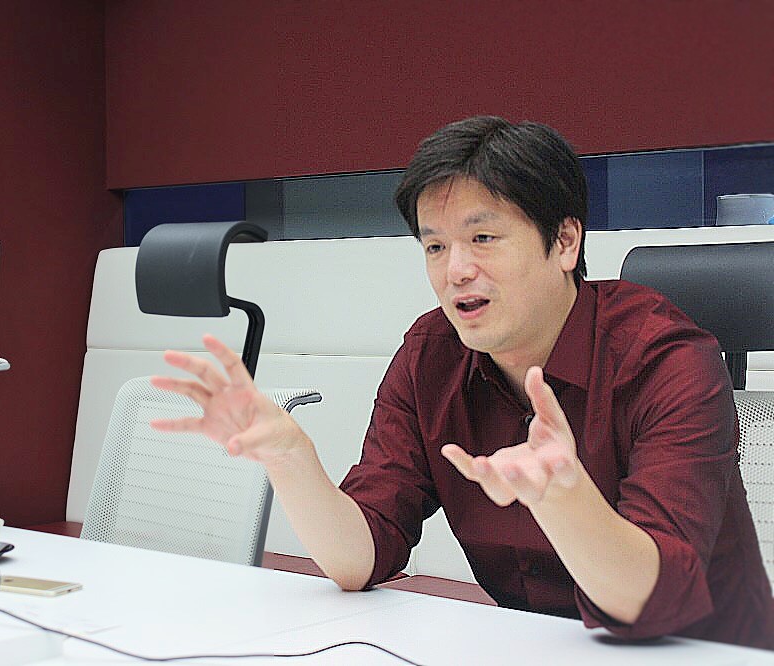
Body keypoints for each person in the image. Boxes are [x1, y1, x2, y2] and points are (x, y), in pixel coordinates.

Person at [149, 116, 774, 649]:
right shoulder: (433, 354)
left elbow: (652, 606)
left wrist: (564, 497)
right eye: (435, 247)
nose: (456, 271)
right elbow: (360, 557)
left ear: (564, 241)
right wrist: (290, 459)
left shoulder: (666, 359)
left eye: (482, 238)